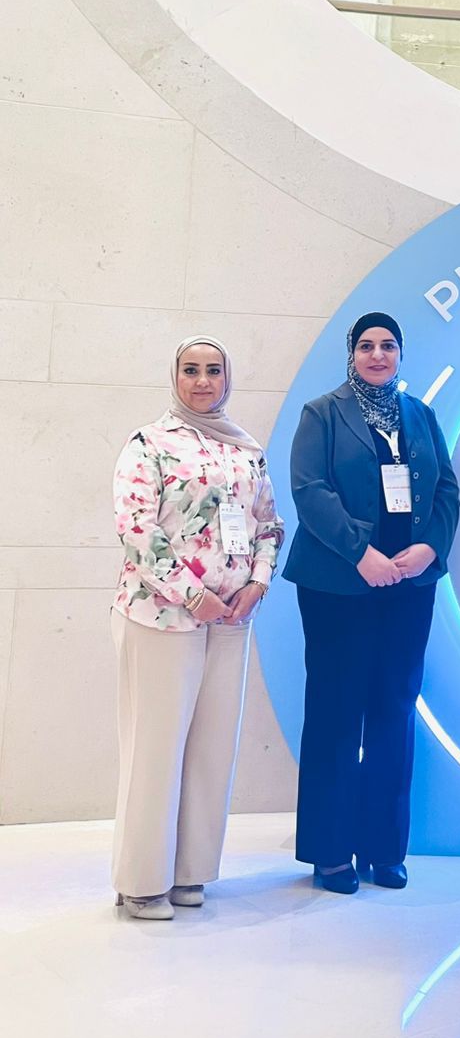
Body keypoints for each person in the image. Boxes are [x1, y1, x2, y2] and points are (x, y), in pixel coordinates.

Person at [283, 311, 460, 894]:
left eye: (388, 345)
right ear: (351, 354)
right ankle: (331, 853)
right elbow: (310, 491)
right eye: (366, 346)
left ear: (401, 354)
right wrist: (362, 554)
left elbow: (447, 488)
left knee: (394, 711)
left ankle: (385, 849)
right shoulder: (322, 413)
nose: (378, 355)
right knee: (336, 713)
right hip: (339, 585)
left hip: (408, 587)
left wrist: (430, 548)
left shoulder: (420, 415)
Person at [111, 337, 282, 919]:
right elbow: (137, 528)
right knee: (156, 749)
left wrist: (258, 582)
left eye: (213, 370)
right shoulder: (149, 444)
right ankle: (142, 881)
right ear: (175, 377)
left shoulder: (246, 449)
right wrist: (193, 594)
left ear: (227, 378)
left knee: (211, 750)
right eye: (191, 370)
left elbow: (268, 524)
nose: (203, 381)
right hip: (161, 618)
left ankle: (190, 872)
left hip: (232, 620)